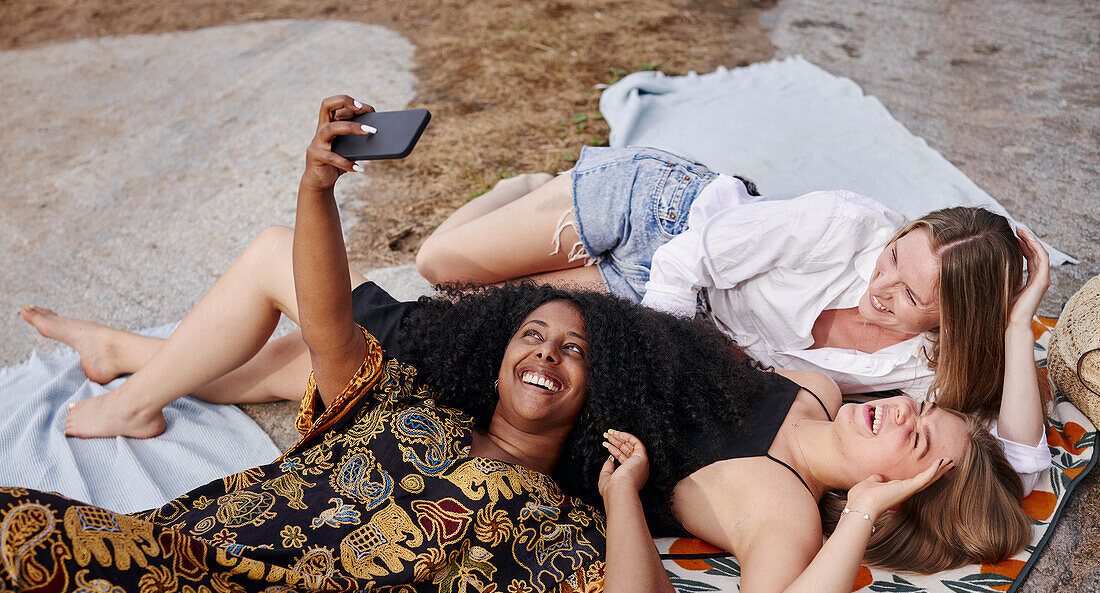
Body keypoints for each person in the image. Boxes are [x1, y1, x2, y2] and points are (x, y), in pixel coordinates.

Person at [10, 99, 1029, 593]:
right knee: (303, 355)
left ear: (902, 488)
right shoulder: (817, 386)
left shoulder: (776, 508)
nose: (895, 408)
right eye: (913, 405)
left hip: (508, 399)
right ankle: (134, 361)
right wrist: (1017, 313)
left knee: (286, 273)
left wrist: (857, 513)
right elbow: (1019, 457)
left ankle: (132, 385)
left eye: (910, 432)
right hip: (550, 343)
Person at [0, 97, 684, 593]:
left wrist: (619, 495)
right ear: (498, 355)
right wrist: (316, 189)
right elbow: (329, 322)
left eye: (574, 350)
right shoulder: (409, 404)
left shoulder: (560, 529)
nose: (546, 354)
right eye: (531, 335)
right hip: (186, 564)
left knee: (20, 539)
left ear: (601, 390)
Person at [412, 146, 1052, 490]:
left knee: (463, 308)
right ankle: (528, 188)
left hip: (656, 296)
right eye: (893, 257)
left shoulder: (921, 371)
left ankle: (542, 206)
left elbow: (1024, 467)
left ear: (952, 322)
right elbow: (684, 264)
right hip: (659, 213)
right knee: (437, 265)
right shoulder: (842, 224)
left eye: (910, 296)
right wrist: (660, 374)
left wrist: (1019, 322)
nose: (880, 287)